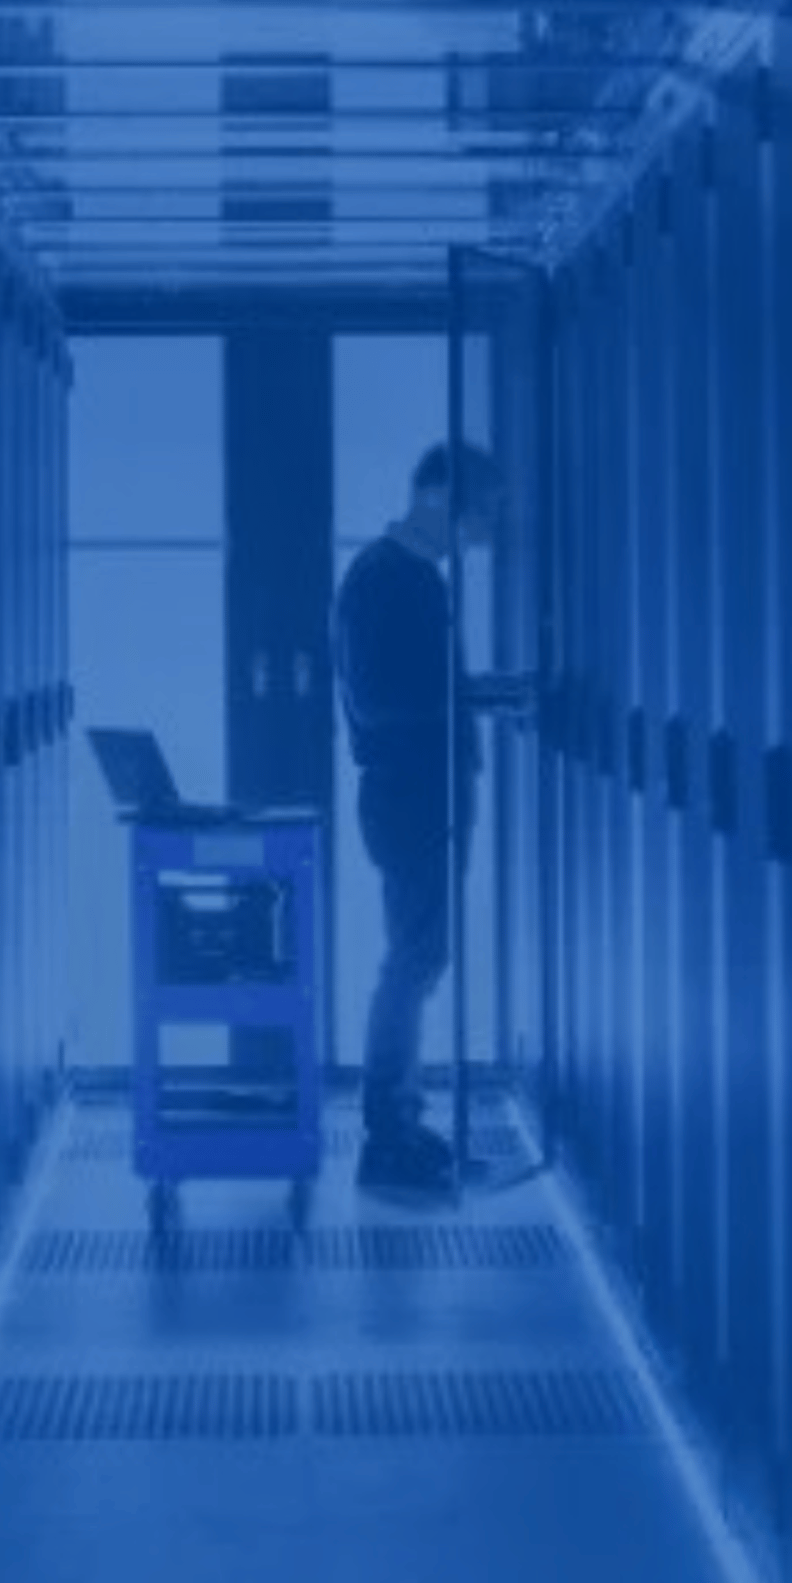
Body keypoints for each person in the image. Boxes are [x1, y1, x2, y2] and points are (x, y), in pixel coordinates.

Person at [332, 439, 502, 1196]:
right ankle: (385, 1135)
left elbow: (417, 687)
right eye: (475, 514)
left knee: (421, 958)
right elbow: (376, 699)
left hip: (424, 789)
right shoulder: (385, 579)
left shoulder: (413, 577)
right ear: (438, 499)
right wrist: (465, 701)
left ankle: (400, 1116)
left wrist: (479, 694)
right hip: (409, 793)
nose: (480, 533)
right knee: (412, 959)